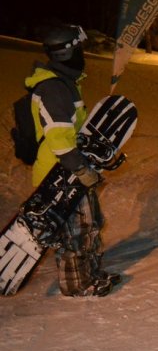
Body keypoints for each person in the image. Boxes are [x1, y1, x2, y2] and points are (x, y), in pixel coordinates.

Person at [25, 23, 120, 297]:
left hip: (69, 170)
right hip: (59, 175)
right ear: (70, 52)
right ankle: (77, 284)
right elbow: (59, 140)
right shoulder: (54, 88)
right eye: (80, 49)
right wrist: (79, 169)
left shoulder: (64, 83)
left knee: (90, 225)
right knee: (75, 231)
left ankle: (90, 274)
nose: (83, 54)